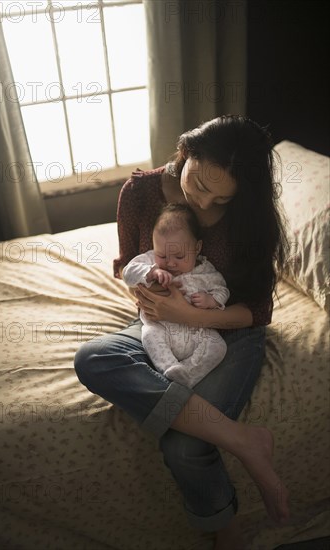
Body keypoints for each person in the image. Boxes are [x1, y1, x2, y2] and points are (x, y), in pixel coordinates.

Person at [74, 115, 290, 550]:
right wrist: (154, 290)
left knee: (186, 444)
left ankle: (227, 532)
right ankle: (245, 442)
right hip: (160, 320)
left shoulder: (251, 215)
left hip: (228, 329)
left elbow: (258, 309)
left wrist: (196, 315)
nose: (205, 204)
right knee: (93, 358)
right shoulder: (140, 193)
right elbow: (129, 266)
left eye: (219, 198)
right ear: (187, 152)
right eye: (200, 185)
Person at [122, 202, 230, 388]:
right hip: (160, 327)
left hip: (196, 331)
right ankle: (169, 368)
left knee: (218, 347)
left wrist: (211, 300)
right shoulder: (149, 261)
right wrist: (151, 272)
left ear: (197, 248)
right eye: (162, 256)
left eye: (179, 257)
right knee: (149, 336)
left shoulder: (205, 270)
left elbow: (223, 289)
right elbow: (128, 273)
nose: (170, 263)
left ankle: (187, 373)